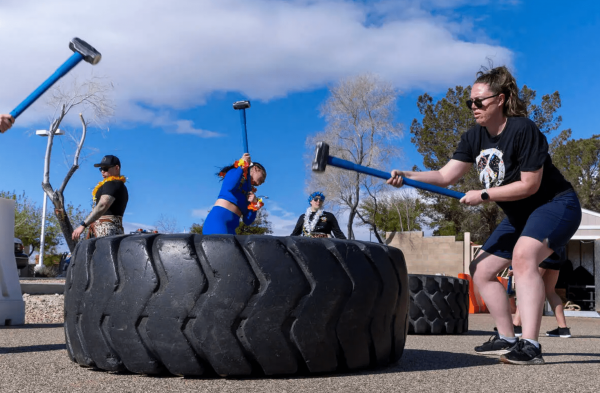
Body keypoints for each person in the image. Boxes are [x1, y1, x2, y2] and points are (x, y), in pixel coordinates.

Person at [387, 66, 581, 365]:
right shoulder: (474, 137)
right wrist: (406, 175)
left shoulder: (522, 129)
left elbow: (530, 185)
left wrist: (484, 194)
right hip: (520, 216)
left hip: (555, 206)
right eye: (470, 103)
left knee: (524, 257)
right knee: (481, 270)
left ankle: (530, 346)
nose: (473, 107)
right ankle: (506, 338)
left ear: (501, 99)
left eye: (479, 102)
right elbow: (445, 175)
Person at [203, 153, 266, 235]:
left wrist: (253, 204)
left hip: (232, 228)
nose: (263, 181)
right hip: (218, 222)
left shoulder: (249, 193)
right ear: (255, 168)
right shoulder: (234, 172)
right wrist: (242, 166)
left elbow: (247, 221)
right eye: (263, 176)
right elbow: (230, 186)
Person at [509, 259, 572, 338]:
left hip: (540, 256)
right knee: (550, 291)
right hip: (555, 256)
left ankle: (516, 325)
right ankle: (563, 329)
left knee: (527, 290)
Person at [72, 155, 129, 239]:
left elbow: (103, 204)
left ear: (117, 168)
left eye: (105, 168)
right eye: (101, 169)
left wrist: (83, 225)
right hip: (115, 232)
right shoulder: (121, 186)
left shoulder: (112, 183)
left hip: (105, 232)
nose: (102, 171)